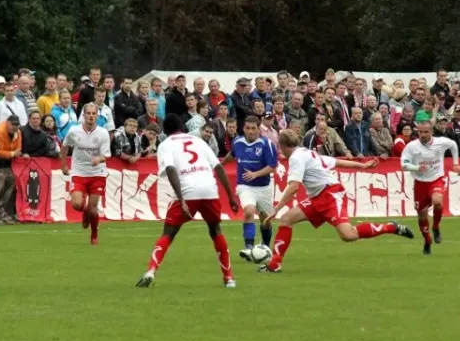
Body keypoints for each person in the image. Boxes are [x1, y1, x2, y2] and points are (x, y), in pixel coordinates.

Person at [258, 129, 414, 273]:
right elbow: (336, 161)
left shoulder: (296, 158)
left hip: (331, 195)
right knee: (287, 219)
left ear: (283, 146)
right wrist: (363, 166)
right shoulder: (306, 153)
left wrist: (277, 208)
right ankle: (275, 264)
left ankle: (390, 227)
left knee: (348, 235)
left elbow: (293, 187)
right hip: (318, 197)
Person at [136, 114, 240, 288]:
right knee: (215, 230)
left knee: (168, 233)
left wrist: (182, 199)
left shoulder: (166, 144)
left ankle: (151, 270)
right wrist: (230, 196)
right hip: (209, 189)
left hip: (188, 190)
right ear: (182, 128)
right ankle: (229, 278)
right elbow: (218, 166)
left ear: (164, 131)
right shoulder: (198, 141)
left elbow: (170, 169)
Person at [400, 121, 460, 255]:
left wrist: (456, 163)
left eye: (425, 132)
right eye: (420, 132)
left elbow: (453, 145)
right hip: (420, 183)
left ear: (431, 132)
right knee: (422, 215)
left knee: (438, 202)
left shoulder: (441, 142)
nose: (422, 134)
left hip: (436, 179)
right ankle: (427, 240)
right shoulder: (412, 147)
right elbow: (404, 164)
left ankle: (436, 226)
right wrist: (416, 167)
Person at [222, 116, 278, 261]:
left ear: (259, 129)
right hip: (245, 185)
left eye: (254, 128)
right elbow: (231, 155)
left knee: (265, 220)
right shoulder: (237, 142)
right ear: (243, 129)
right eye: (248, 128)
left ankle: (264, 246)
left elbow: (272, 166)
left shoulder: (267, 144)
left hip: (264, 187)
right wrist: (219, 166)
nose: (251, 131)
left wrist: (255, 174)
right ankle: (248, 247)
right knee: (248, 211)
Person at [60, 103, 111, 245]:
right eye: (88, 113)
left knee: (93, 209)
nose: (91, 116)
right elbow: (65, 146)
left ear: (97, 116)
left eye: (94, 114)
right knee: (76, 204)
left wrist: (99, 158)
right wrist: (63, 164)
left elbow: (106, 155)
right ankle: (85, 212)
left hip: (97, 173)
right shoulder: (74, 131)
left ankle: (94, 234)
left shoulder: (103, 133)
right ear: (84, 115)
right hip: (79, 172)